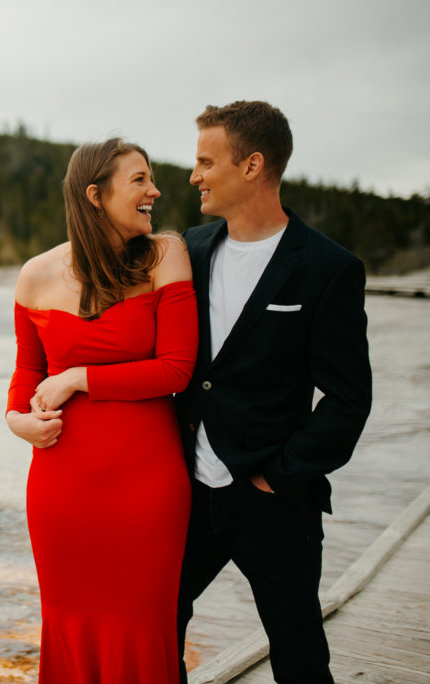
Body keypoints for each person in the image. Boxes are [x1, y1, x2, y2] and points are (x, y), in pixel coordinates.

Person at [175, 101, 373, 683]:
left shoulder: (328, 268)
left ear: (253, 164)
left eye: (206, 162)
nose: (195, 176)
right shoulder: (190, 248)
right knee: (157, 620)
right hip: (188, 493)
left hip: (273, 499)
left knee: (298, 647)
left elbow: (347, 399)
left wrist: (279, 474)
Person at [6, 137, 198, 682]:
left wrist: (78, 379)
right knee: (67, 623)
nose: (155, 190)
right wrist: (18, 421)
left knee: (143, 628)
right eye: (139, 179)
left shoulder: (166, 254)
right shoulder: (35, 275)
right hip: (61, 486)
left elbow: (176, 369)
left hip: (146, 487)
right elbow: (26, 375)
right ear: (95, 194)